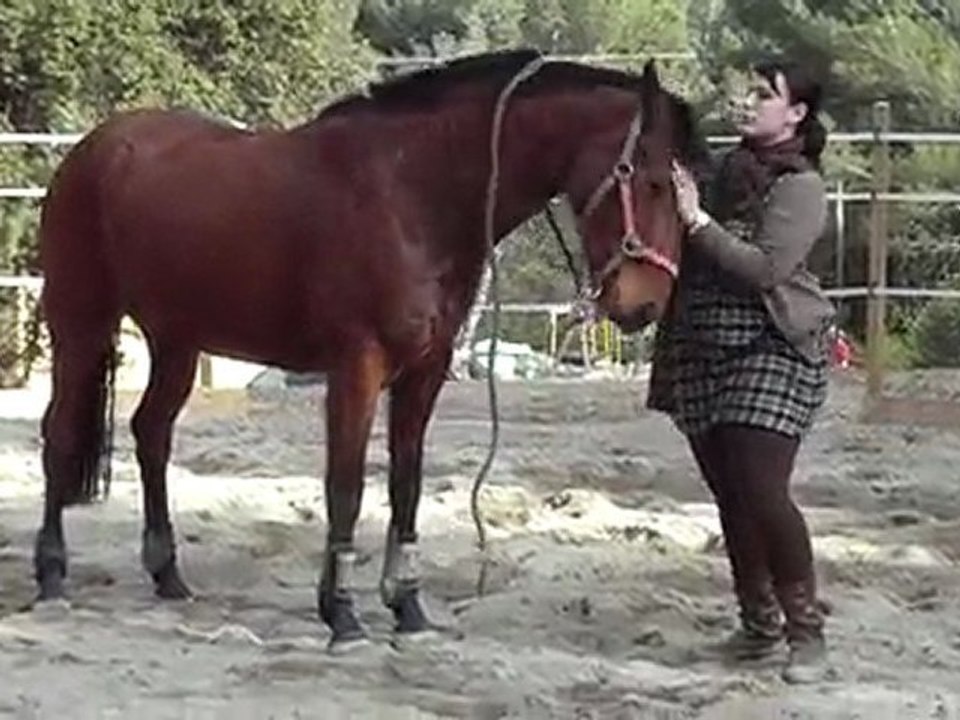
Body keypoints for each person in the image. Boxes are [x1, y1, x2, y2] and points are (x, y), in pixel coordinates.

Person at [651, 58, 836, 684]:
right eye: (748, 91)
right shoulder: (714, 171)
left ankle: (806, 634)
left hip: (773, 343)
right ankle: (757, 626)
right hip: (699, 343)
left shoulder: (800, 187)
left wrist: (697, 221)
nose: (749, 101)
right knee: (730, 493)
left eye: (765, 94)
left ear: (796, 114)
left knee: (762, 489)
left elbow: (765, 269)